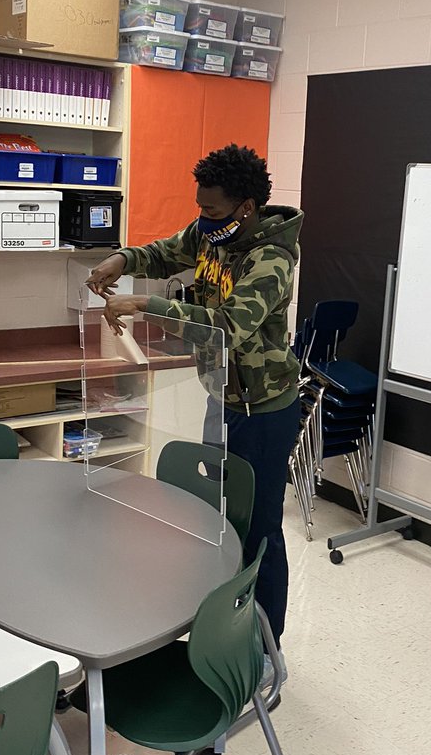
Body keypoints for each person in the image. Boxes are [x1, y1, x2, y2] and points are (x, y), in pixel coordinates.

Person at [86, 144, 303, 667]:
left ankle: (261, 647)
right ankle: (218, 630)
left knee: (259, 529)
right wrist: (124, 258)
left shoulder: (271, 258)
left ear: (245, 208)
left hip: (265, 409)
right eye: (199, 207)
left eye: (210, 210)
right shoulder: (212, 234)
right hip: (223, 396)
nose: (201, 218)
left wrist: (146, 303)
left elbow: (227, 326)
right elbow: (165, 252)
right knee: (218, 523)